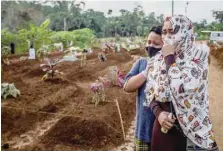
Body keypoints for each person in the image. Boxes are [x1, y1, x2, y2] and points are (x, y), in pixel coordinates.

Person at [145, 15, 219, 151]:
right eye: (165, 32)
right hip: (164, 130)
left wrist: (169, 59)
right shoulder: (157, 60)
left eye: (172, 31)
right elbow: (149, 91)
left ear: (185, 32)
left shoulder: (197, 59)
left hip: (193, 133)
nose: (167, 36)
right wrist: (158, 112)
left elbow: (181, 89)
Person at [123, 26, 163, 151]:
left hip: (164, 134)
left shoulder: (171, 67)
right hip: (143, 132)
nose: (151, 46)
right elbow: (127, 86)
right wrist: (146, 72)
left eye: (156, 43)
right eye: (149, 42)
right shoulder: (141, 63)